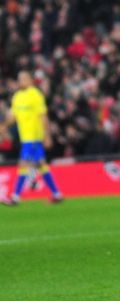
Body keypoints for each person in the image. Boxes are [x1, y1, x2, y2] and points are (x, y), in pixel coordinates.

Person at [2, 72, 63, 205]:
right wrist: (4, 126)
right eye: (20, 79)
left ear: (30, 80)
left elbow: (43, 116)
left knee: (23, 163)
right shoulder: (17, 97)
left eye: (24, 78)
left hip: (34, 137)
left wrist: (47, 135)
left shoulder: (35, 94)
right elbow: (13, 116)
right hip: (25, 137)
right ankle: (57, 194)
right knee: (41, 164)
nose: (21, 81)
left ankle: (15, 197)